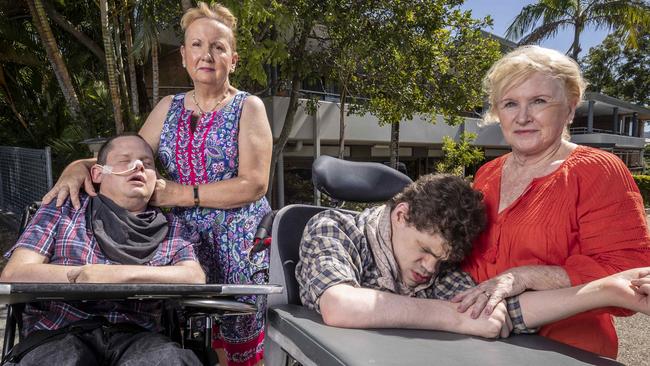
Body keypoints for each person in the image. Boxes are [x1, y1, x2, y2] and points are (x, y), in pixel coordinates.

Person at [41, 3, 273, 365]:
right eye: (196, 45)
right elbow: (127, 154)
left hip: (237, 241)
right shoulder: (169, 107)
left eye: (218, 46)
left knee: (237, 342)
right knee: (176, 338)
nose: (206, 54)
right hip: (177, 243)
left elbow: (254, 184)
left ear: (234, 58)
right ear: (183, 56)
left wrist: (180, 194)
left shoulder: (249, 107)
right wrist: (76, 166)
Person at [451, 45, 650, 358]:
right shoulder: (487, 173)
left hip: (564, 351)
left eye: (539, 101)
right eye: (510, 103)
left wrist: (524, 276)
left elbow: (630, 272)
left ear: (570, 109)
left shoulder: (597, 170)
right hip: (482, 341)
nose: (523, 116)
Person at [296, 173, 650, 340]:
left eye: (441, 260)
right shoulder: (333, 228)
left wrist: (605, 290)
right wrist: (454, 318)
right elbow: (339, 305)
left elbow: (496, 311)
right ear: (400, 215)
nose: (429, 269)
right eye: (425, 250)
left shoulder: (439, 266)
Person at [0, 134, 205, 365]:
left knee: (169, 360)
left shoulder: (173, 226)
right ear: (98, 173)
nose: (138, 165)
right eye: (125, 160)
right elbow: (15, 273)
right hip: (60, 331)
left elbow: (193, 276)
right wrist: (80, 277)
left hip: (138, 336)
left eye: (147, 164)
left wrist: (109, 275)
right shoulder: (63, 208)